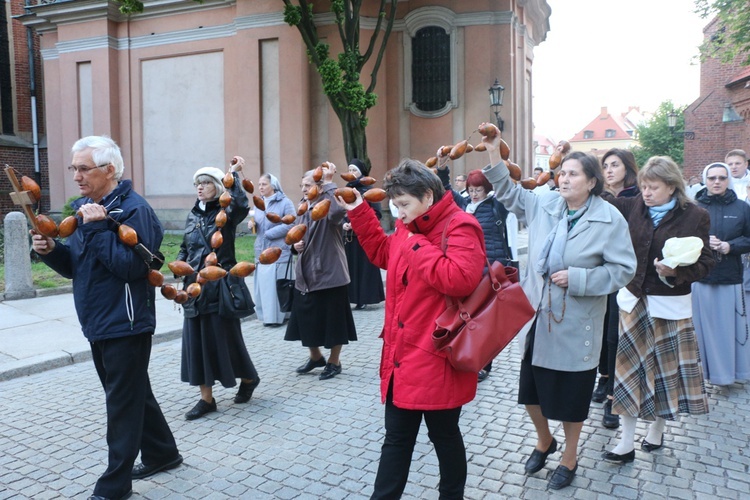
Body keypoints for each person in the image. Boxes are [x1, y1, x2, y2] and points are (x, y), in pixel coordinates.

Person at [481, 126, 637, 490]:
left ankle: (569, 456)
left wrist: (581, 279)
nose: (563, 178)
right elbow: (506, 191)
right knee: (530, 392)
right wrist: (493, 151)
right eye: (561, 173)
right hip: (536, 313)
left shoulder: (608, 218)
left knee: (569, 397)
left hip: (577, 320)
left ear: (592, 182)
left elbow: (623, 270)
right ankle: (543, 439)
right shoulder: (545, 204)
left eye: (572, 174)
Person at [31, 136, 181, 500]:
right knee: (132, 392)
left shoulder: (135, 211)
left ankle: (115, 484)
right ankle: (163, 452)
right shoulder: (85, 208)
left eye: (84, 168)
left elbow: (132, 268)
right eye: (74, 169)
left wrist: (98, 229)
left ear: (109, 170)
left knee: (121, 402)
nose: (77, 176)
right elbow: (77, 268)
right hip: (98, 319)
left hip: (126, 322)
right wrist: (52, 251)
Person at [336, 158, 485, 499]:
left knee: (444, 436)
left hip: (439, 357)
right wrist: (360, 210)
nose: (399, 213)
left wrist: (416, 242)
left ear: (429, 197)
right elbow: (382, 253)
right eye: (395, 205)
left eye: (404, 205)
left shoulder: (460, 226)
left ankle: (451, 495)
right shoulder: (408, 226)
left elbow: (460, 280)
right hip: (402, 355)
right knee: (397, 439)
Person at [603, 156, 714, 464]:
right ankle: (625, 442)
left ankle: (657, 429)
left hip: (669, 304)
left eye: (653, 187)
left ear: (671, 186)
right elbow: (598, 198)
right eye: (643, 186)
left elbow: (706, 262)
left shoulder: (696, 216)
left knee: (664, 372)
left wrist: (675, 272)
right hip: (633, 300)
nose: (646, 193)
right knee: (627, 373)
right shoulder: (633, 206)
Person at [177, 159, 261, 420]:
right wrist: (180, 270)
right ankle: (207, 399)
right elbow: (185, 247)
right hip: (194, 288)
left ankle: (248, 378)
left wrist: (234, 177)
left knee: (226, 339)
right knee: (196, 342)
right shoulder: (193, 214)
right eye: (197, 184)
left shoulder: (226, 213)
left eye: (205, 183)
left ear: (215, 186)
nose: (200, 188)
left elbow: (241, 204)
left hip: (220, 286)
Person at [284, 163, 357, 380]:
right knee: (305, 318)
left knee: (334, 321)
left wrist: (328, 183)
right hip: (305, 274)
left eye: (309, 185)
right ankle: (315, 357)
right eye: (302, 185)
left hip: (330, 272)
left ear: (318, 186)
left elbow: (337, 213)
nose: (304, 189)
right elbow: (294, 233)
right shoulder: (303, 206)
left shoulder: (328, 203)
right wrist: (293, 246)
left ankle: (334, 362)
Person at [692, 162, 750, 385]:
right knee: (701, 329)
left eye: (722, 178)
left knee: (729, 329)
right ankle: (701, 375)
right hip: (700, 277)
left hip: (729, 277)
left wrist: (730, 246)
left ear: (729, 181)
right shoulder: (693, 206)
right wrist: (702, 242)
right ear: (705, 180)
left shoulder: (742, 207)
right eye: (712, 178)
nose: (717, 182)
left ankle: (731, 374)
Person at [595, 149, 640, 430]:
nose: (610, 170)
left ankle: (614, 388)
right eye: (606, 165)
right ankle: (602, 376)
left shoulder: (635, 198)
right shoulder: (596, 195)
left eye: (615, 165)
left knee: (614, 332)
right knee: (598, 328)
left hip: (621, 273)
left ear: (628, 168)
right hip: (596, 269)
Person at [463, 168, 519, 382]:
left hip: (490, 271)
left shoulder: (496, 206)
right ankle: (469, 357)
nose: (474, 193)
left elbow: (508, 193)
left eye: (478, 189)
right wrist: (441, 167)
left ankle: (484, 364)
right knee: (468, 318)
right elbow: (446, 192)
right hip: (467, 270)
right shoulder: (464, 206)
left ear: (487, 189)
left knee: (486, 320)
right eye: (470, 189)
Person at [249, 173, 296, 326]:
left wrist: (270, 234)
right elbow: (258, 223)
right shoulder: (258, 203)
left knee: (277, 287)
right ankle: (267, 317)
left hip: (278, 250)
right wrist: (252, 225)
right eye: (259, 184)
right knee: (265, 288)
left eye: (264, 184)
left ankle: (281, 317)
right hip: (261, 251)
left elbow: (291, 223)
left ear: (273, 185)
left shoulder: (285, 202)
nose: (261, 187)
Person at [342, 158, 385, 310]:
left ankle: (365, 297)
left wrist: (356, 222)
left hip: (364, 235)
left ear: (361, 173)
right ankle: (353, 297)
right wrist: (344, 223)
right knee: (352, 268)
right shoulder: (346, 189)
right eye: (350, 170)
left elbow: (377, 213)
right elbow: (342, 211)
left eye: (354, 170)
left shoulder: (369, 190)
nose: (351, 173)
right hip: (349, 237)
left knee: (364, 268)